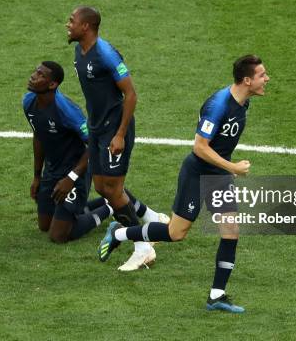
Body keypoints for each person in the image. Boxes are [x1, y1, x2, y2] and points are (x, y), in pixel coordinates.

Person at [97, 55, 270, 313]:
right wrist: (232, 167)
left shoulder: (243, 103)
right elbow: (200, 147)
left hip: (218, 176)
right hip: (197, 173)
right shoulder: (218, 106)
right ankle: (119, 233)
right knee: (176, 233)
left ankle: (216, 296)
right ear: (247, 80)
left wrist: (224, 169)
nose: (266, 79)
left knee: (231, 230)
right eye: (261, 75)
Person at [67, 6, 167, 270]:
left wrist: (120, 133)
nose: (68, 24)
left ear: (86, 26)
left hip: (114, 129)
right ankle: (152, 219)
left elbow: (131, 95)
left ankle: (143, 247)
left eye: (72, 21)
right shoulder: (80, 50)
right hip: (98, 128)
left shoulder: (106, 54)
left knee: (113, 189)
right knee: (102, 188)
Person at [24, 61, 165, 244]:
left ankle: (111, 206)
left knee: (58, 235)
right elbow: (39, 136)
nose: (33, 76)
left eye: (41, 75)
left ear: (52, 85)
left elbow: (93, 142)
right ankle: (107, 201)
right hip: (52, 170)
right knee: (45, 225)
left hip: (76, 170)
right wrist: (37, 176)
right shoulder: (28, 102)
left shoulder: (66, 111)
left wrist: (72, 178)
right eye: (36, 71)